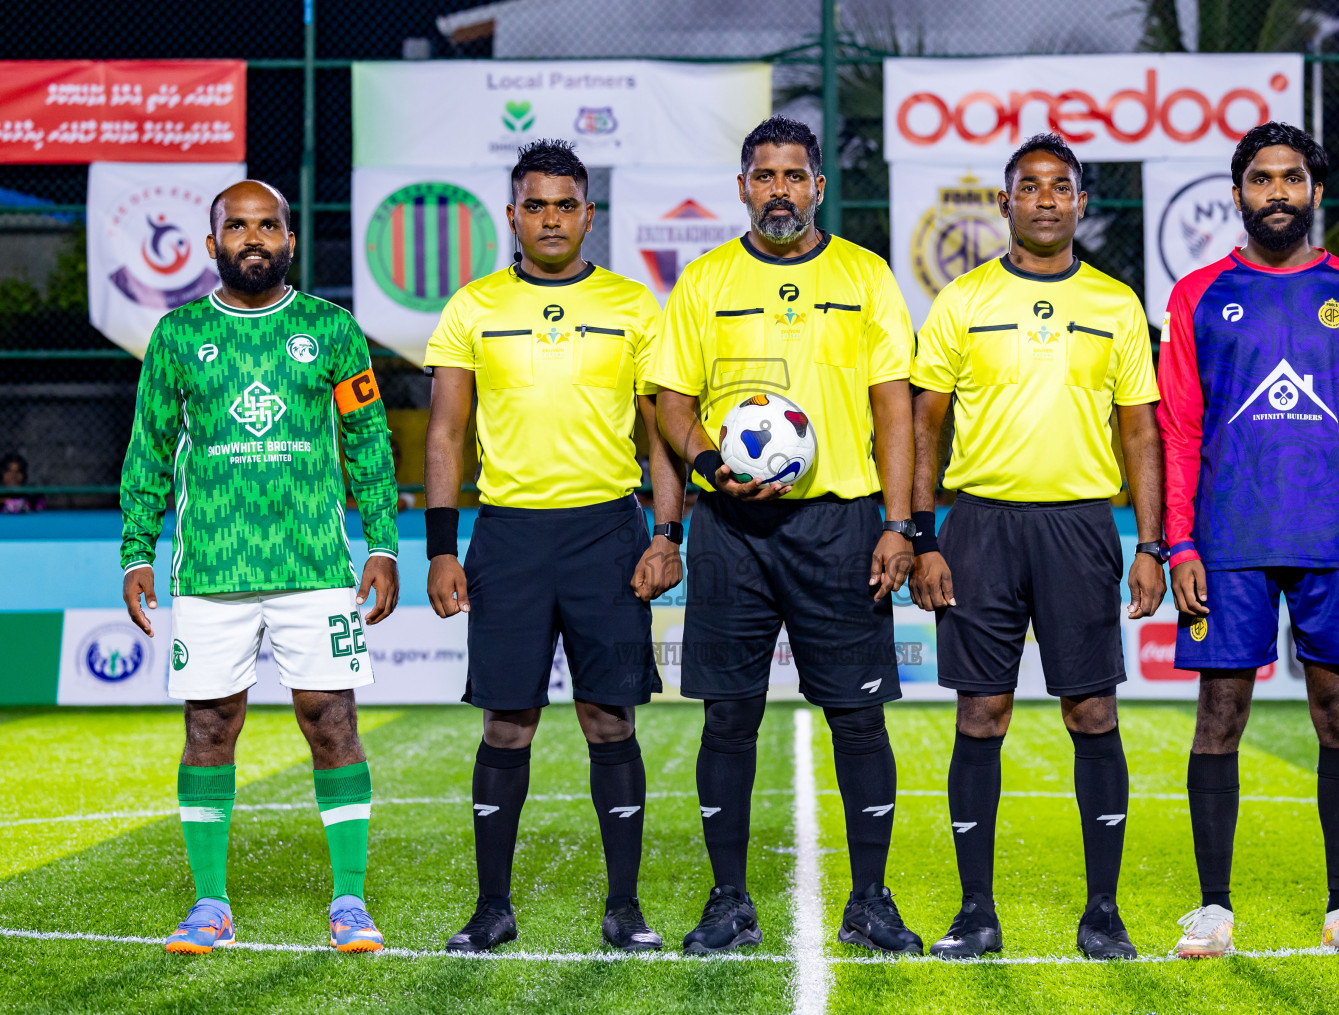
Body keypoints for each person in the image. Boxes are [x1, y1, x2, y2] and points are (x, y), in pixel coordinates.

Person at [650, 116, 922, 955]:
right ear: (742, 187)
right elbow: (670, 401)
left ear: (817, 187)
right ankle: (728, 901)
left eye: (793, 176)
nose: (779, 190)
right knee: (728, 718)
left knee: (859, 720)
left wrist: (901, 524)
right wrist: (705, 467)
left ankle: (871, 901)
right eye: (763, 176)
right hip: (733, 526)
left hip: (840, 526)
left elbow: (894, 409)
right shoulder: (703, 280)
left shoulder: (866, 275)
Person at [120, 180, 400, 955]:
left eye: (268, 225)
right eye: (236, 226)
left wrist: (381, 544)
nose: (253, 237)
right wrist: (136, 551)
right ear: (211, 244)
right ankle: (210, 904)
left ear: (290, 239)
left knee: (332, 722)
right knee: (208, 727)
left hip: (313, 566)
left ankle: (349, 901)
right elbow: (146, 452)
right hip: (208, 568)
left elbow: (367, 443)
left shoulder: (331, 330)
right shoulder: (176, 337)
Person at [422, 140, 686, 954]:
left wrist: (666, 535)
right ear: (511, 214)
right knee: (508, 724)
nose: (550, 218)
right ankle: (492, 908)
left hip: (608, 533)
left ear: (588, 215)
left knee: (610, 722)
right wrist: (441, 547)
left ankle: (624, 909)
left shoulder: (635, 305)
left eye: (565, 205)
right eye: (534, 204)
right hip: (507, 536)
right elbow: (446, 432)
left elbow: (661, 438)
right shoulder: (473, 306)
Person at [908, 132, 1167, 961]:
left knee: (1091, 709)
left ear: (1081, 203)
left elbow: (1141, 432)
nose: (1047, 199)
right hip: (978, 526)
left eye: (1062, 187)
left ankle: (1103, 913)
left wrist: (1150, 543)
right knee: (981, 712)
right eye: (1030, 186)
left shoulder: (1117, 305)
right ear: (1004, 203)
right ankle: (975, 913)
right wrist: (922, 537)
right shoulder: (961, 300)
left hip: (1081, 526)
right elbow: (923, 425)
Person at [1159, 122, 1339, 958]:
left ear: (1315, 193)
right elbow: (1181, 429)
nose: (1276, 194)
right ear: (1237, 195)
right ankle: (1215, 911)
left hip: (1335, 532)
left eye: (1291, 179)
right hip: (1226, 537)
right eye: (1260, 180)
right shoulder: (1197, 295)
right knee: (1218, 714)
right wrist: (1178, 544)